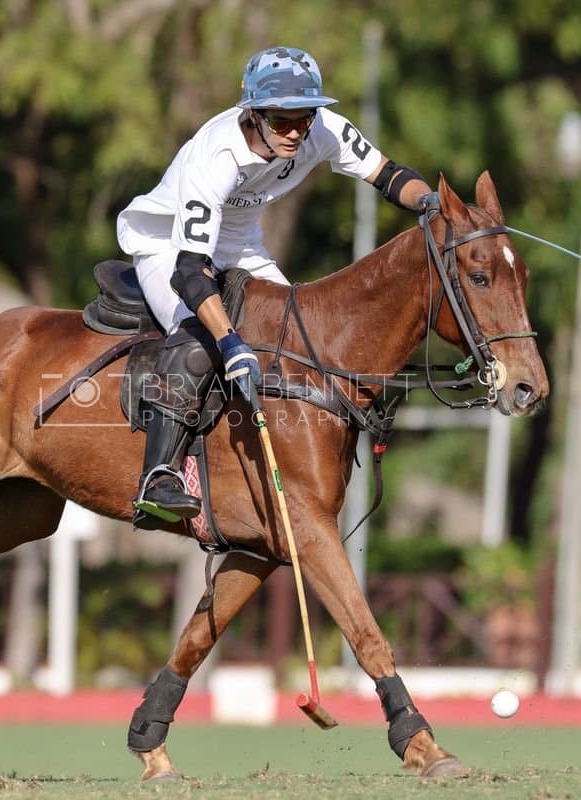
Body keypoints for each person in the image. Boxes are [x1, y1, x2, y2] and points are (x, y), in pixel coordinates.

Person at [117, 46, 435, 528]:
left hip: (242, 245)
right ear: (254, 114)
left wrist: (432, 204)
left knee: (300, 337)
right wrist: (230, 339)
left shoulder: (320, 128)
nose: (295, 132)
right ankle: (159, 477)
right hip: (167, 244)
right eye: (282, 121)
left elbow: (387, 175)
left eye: (303, 120)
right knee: (199, 340)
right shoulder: (216, 155)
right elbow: (189, 272)